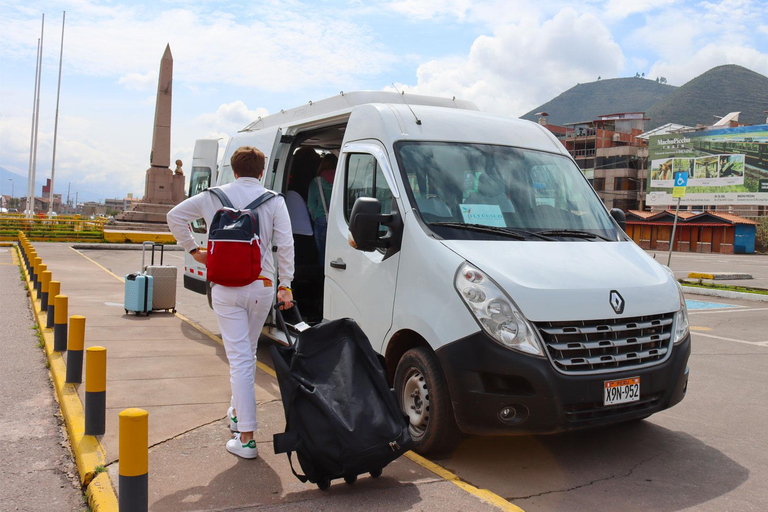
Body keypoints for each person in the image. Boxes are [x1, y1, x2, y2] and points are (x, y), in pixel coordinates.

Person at [166, 146, 294, 459]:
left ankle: (247, 437)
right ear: (261, 171)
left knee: (239, 359)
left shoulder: (213, 197)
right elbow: (285, 245)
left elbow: (174, 216)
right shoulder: (274, 200)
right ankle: (237, 416)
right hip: (261, 286)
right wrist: (286, 284)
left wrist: (194, 250)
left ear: (233, 170)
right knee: (246, 354)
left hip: (224, 288)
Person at [307, 154, 338, 265]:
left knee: (323, 253)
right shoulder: (342, 179)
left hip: (321, 220)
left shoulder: (316, 182)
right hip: (340, 220)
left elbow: (311, 205)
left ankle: (323, 279)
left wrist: (317, 217)